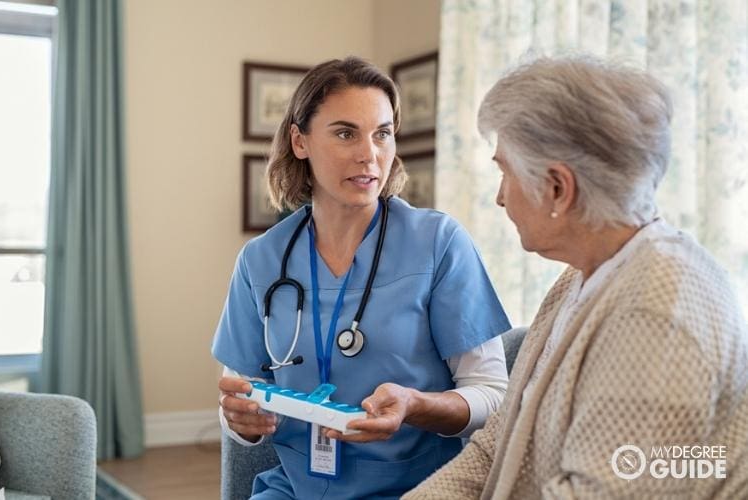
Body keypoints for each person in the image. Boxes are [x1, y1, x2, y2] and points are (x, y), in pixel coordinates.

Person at [405, 55, 748, 499]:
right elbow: (494, 448)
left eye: (505, 171)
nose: (500, 197)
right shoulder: (581, 277)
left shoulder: (657, 309)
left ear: (558, 188)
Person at [212, 56, 512, 500]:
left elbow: (491, 396)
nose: (369, 154)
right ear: (300, 141)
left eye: (382, 134)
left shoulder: (438, 243)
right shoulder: (261, 260)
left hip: (419, 490)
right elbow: (241, 393)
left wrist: (415, 405)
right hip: (297, 489)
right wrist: (241, 421)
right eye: (345, 133)